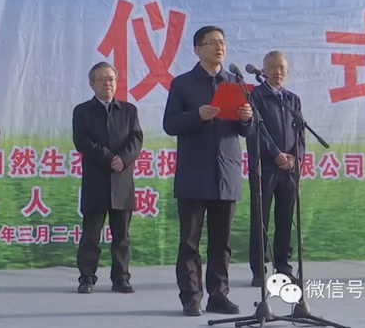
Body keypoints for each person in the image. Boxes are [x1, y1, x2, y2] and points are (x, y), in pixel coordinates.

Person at [163, 26, 255, 316]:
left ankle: (219, 296)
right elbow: (170, 124)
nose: (219, 47)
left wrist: (246, 118)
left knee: (222, 243)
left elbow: (247, 131)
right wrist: (197, 115)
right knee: (190, 242)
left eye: (222, 42)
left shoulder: (236, 83)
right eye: (212, 42)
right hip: (194, 173)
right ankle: (191, 298)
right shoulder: (183, 84)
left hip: (226, 173)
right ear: (197, 49)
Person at [72, 62, 143, 294]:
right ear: (92, 84)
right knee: (91, 234)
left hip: (122, 181)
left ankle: (121, 278)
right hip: (96, 179)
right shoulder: (82, 111)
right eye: (101, 79)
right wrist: (109, 157)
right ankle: (86, 278)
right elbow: (82, 141)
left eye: (111, 79)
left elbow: (136, 139)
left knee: (121, 236)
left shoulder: (129, 110)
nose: (107, 83)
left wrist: (123, 159)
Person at [246, 51, 304, 287]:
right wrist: (276, 154)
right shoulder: (255, 96)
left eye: (282, 68)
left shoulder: (292, 100)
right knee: (260, 219)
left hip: (289, 169)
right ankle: (259, 269)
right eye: (273, 68)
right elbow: (255, 131)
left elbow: (300, 133)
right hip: (265, 167)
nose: (278, 72)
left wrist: (295, 157)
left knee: (285, 218)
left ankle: (283, 267)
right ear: (263, 70)